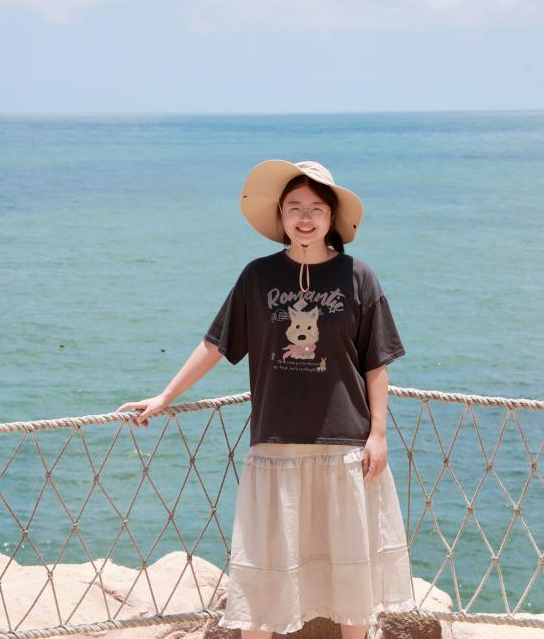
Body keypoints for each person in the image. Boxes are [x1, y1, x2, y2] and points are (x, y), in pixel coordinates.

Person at [117, 159, 418, 638]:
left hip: (345, 445)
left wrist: (378, 434)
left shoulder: (358, 276)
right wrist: (165, 396)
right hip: (275, 443)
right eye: (294, 207)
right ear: (280, 216)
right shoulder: (258, 277)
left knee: (351, 572)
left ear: (332, 217)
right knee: (264, 572)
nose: (305, 217)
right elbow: (216, 344)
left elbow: (376, 363)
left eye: (315, 208)